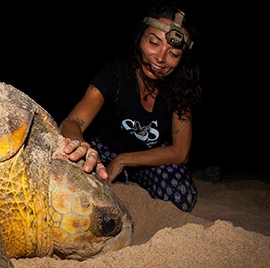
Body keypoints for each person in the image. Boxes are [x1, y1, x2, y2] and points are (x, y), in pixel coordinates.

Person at [60, 1, 201, 212]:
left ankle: (130, 180)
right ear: (139, 39)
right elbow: (72, 122)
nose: (160, 58)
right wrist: (82, 148)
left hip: (148, 157)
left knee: (182, 195)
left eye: (173, 54)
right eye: (154, 43)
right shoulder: (117, 73)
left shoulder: (181, 88)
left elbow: (180, 152)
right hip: (105, 151)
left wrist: (123, 160)